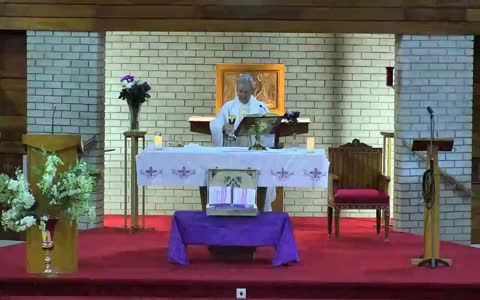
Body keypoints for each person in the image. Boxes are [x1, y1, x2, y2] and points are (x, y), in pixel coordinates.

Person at [210, 73, 276, 211]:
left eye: (246, 92)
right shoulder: (228, 106)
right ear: (237, 90)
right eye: (240, 91)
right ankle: (232, 209)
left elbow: (269, 128)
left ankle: (257, 209)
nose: (243, 95)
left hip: (252, 151)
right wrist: (222, 127)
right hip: (233, 151)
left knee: (254, 182)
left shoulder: (260, 107)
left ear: (252, 91)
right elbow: (215, 124)